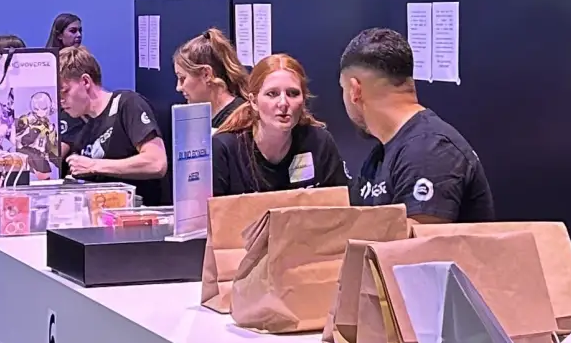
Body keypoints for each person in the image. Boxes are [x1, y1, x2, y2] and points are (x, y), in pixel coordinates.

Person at [338, 27, 494, 223]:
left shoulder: (428, 151)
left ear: (355, 90)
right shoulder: (382, 154)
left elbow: (418, 239)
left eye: (342, 88)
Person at [212, 54, 348, 194]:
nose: (283, 103)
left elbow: (340, 202)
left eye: (293, 93)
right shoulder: (225, 150)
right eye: (272, 94)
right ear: (254, 102)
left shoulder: (319, 143)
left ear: (303, 100)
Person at [56, 47, 167, 204]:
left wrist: (94, 165)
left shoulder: (127, 104)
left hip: (140, 211)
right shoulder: (83, 130)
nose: (61, 100)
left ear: (86, 82)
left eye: (65, 91)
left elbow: (156, 163)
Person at [174, 28, 250, 129]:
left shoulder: (239, 121)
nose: (178, 87)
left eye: (182, 78)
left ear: (206, 74)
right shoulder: (205, 117)